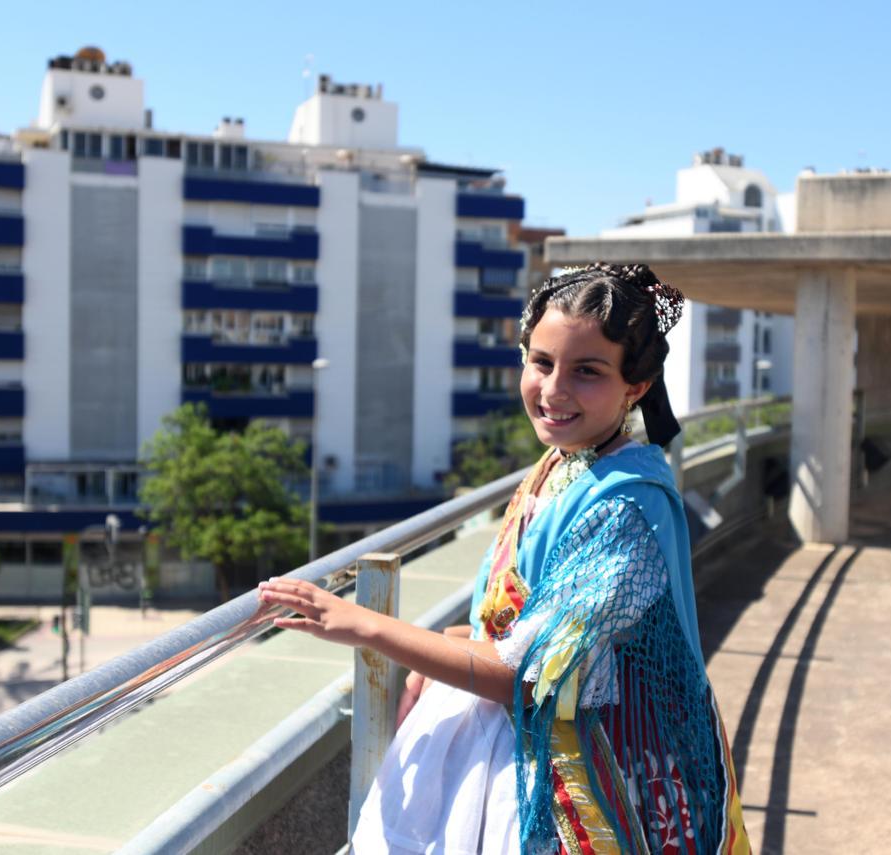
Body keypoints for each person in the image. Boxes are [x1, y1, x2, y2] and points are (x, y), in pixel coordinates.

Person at [258, 263, 750, 854]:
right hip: (511, 743)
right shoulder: (571, 461)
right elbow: (529, 627)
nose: (554, 389)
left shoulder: (625, 507)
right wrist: (456, 639)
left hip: (575, 769)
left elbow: (530, 673)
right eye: (541, 362)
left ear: (636, 387)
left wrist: (366, 625)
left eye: (587, 372)